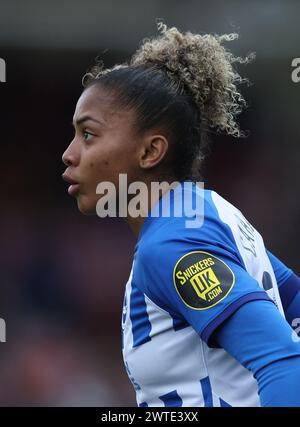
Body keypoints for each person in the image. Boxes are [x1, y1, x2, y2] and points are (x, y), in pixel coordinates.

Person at [62, 21, 300, 407]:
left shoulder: (172, 241)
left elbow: (284, 360)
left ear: (150, 152)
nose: (69, 153)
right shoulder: (210, 214)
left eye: (88, 134)